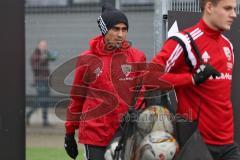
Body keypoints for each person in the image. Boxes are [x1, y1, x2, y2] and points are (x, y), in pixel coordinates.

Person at [152, 0, 240, 159]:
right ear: (209, 7)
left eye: (234, 9)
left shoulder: (228, 45)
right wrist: (191, 79)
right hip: (196, 144)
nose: (233, 14)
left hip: (227, 144)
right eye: (227, 9)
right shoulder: (184, 41)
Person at [64, 3, 146, 160]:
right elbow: (77, 98)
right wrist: (69, 132)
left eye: (124, 29)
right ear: (104, 30)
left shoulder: (137, 57)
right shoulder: (87, 59)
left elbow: (141, 96)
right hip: (95, 135)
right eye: (116, 29)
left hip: (126, 134)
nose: (120, 34)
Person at [27, 40, 56, 127]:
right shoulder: (35, 55)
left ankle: (45, 121)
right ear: (38, 46)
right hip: (39, 80)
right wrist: (43, 59)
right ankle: (28, 114)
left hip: (46, 80)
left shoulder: (45, 54)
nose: (44, 47)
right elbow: (35, 68)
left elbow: (51, 59)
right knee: (41, 100)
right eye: (42, 45)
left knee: (46, 101)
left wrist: (52, 56)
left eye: (45, 45)